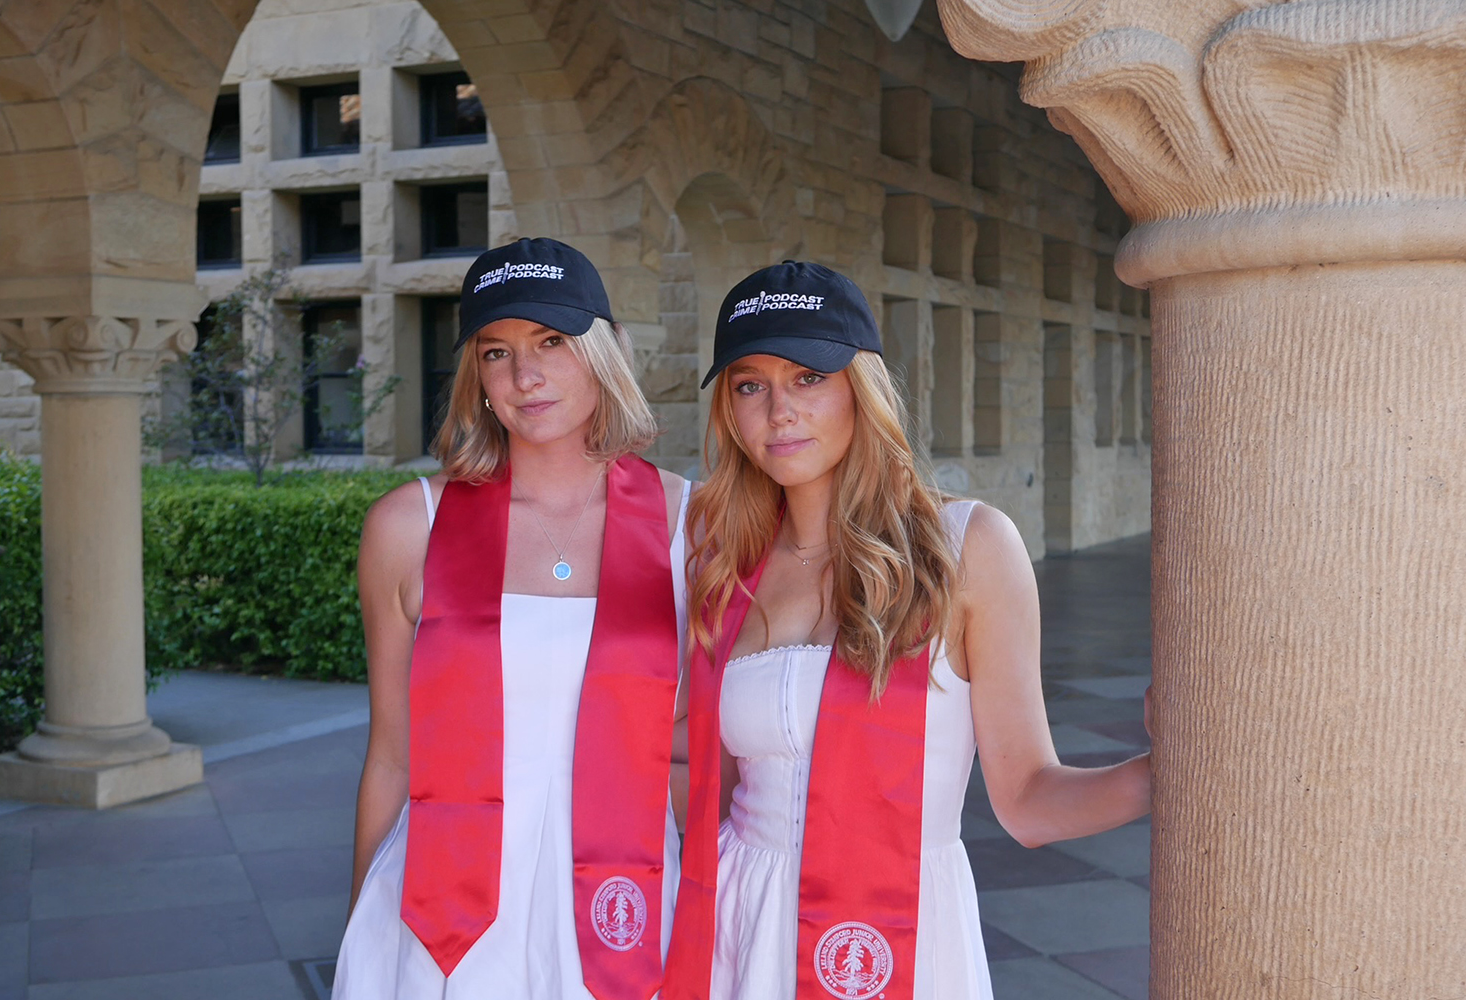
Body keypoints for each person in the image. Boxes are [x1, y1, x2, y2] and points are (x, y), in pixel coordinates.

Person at [663, 261, 1152, 1000]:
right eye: (749, 385)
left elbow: (1026, 801)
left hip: (897, 936)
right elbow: (704, 784)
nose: (778, 410)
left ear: (861, 388)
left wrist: (1167, 771)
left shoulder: (966, 547)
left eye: (807, 378)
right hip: (739, 925)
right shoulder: (723, 561)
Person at [334, 238, 690, 1000]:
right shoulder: (410, 525)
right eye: (496, 352)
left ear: (607, 350)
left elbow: (701, 746)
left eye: (553, 342)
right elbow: (393, 755)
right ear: (476, 375)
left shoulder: (693, 522)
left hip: (624, 899)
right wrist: (362, 921)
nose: (526, 376)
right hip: (443, 909)